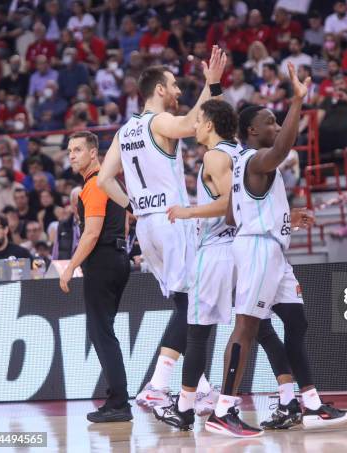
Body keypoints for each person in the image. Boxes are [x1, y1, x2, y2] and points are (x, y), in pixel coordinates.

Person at [205, 62, 347, 438]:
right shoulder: (257, 160)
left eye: (277, 120)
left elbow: (236, 209)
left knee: (296, 320)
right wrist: (297, 102)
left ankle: (308, 403)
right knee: (246, 326)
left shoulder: (245, 162)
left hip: (270, 248)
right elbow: (284, 148)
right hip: (257, 250)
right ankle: (224, 409)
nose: (275, 127)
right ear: (253, 131)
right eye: (270, 122)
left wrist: (285, 214)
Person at [155, 99, 307, 431]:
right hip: (245, 249)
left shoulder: (215, 155)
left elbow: (231, 203)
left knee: (198, 334)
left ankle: (189, 407)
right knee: (258, 328)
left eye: (199, 121)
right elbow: (250, 200)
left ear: (209, 124)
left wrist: (189, 211)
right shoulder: (240, 153)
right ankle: (288, 398)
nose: (194, 126)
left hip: (220, 250)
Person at [97, 47, 228, 409]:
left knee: (184, 301)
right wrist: (211, 85)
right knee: (193, 304)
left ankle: (198, 385)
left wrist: (133, 208)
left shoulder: (124, 132)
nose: (177, 92)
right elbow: (190, 124)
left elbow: (105, 179)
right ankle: (158, 384)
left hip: (147, 227)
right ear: (158, 90)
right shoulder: (158, 122)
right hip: (172, 221)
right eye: (173, 86)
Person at [59, 131, 131, 423]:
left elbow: (91, 233)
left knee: (101, 334)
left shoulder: (95, 185)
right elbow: (123, 225)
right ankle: (116, 397)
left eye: (77, 149)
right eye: (69, 151)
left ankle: (119, 402)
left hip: (102, 261)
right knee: (104, 333)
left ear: (93, 153)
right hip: (116, 258)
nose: (72, 155)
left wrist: (70, 266)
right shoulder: (110, 183)